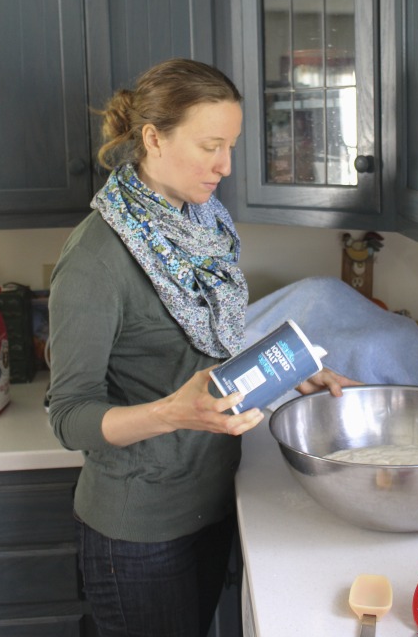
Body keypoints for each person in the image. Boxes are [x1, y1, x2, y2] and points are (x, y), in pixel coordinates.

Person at [48, 58, 355, 637]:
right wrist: (173, 413)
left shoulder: (204, 222)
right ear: (153, 138)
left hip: (212, 501)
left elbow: (203, 352)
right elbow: (68, 417)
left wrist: (286, 369)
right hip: (138, 534)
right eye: (211, 145)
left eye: (232, 145)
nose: (226, 166)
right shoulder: (96, 259)